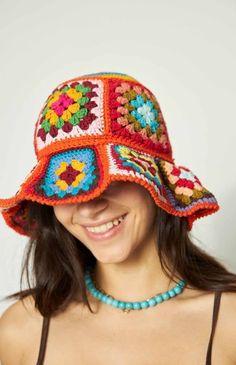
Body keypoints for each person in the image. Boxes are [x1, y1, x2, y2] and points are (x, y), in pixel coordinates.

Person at [0, 71, 236, 365]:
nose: (87, 207)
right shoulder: (20, 331)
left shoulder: (230, 324)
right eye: (66, 186)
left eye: (111, 179)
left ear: (157, 183)